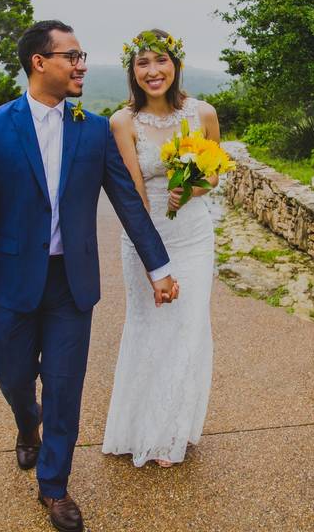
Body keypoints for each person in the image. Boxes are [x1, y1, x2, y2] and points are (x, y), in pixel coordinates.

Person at [0, 20, 179, 532]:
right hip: (10, 281)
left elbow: (127, 202)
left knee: (64, 386)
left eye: (82, 56)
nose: (82, 64)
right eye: (71, 56)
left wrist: (159, 267)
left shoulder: (94, 128)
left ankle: (54, 488)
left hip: (71, 283)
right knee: (14, 376)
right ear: (40, 62)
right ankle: (25, 421)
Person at [102, 29, 218, 468]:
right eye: (143, 63)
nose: (153, 71)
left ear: (176, 65)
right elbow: (134, 195)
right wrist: (154, 262)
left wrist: (188, 188)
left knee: (189, 327)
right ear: (133, 71)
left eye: (161, 61)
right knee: (150, 326)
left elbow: (215, 174)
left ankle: (171, 429)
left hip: (193, 236)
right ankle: (140, 429)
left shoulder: (203, 114)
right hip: (146, 238)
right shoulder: (122, 122)